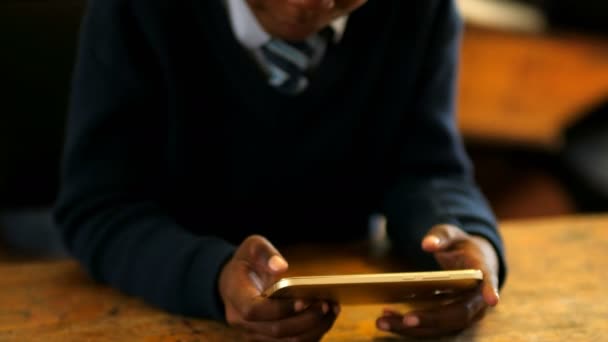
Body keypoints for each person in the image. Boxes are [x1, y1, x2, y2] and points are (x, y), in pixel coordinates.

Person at [54, 0, 508, 340]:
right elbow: (100, 207)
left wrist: (464, 237)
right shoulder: (136, 11)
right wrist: (209, 276)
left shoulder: (420, 11)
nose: (306, 3)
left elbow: (426, 170)